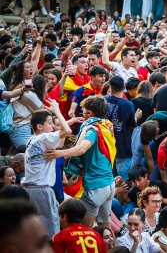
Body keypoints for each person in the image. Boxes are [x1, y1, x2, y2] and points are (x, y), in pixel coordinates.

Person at [46, 95, 116, 229]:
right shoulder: (107, 126)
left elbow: (83, 148)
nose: (82, 114)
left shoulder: (93, 129)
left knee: (84, 229)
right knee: (105, 227)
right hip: (109, 184)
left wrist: (59, 153)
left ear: (89, 113)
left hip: (96, 186)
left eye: (83, 111)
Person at [22, 99, 72, 240]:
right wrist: (56, 109)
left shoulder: (32, 139)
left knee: (35, 233)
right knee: (50, 234)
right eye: (50, 123)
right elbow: (67, 131)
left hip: (31, 189)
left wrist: (71, 120)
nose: (53, 126)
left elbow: (62, 131)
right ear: (39, 126)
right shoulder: (44, 138)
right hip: (42, 190)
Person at [105, 76, 136, 179]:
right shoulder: (128, 105)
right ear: (124, 87)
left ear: (110, 87)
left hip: (105, 145)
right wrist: (136, 117)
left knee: (109, 178)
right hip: (122, 146)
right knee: (125, 180)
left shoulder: (103, 100)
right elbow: (132, 124)